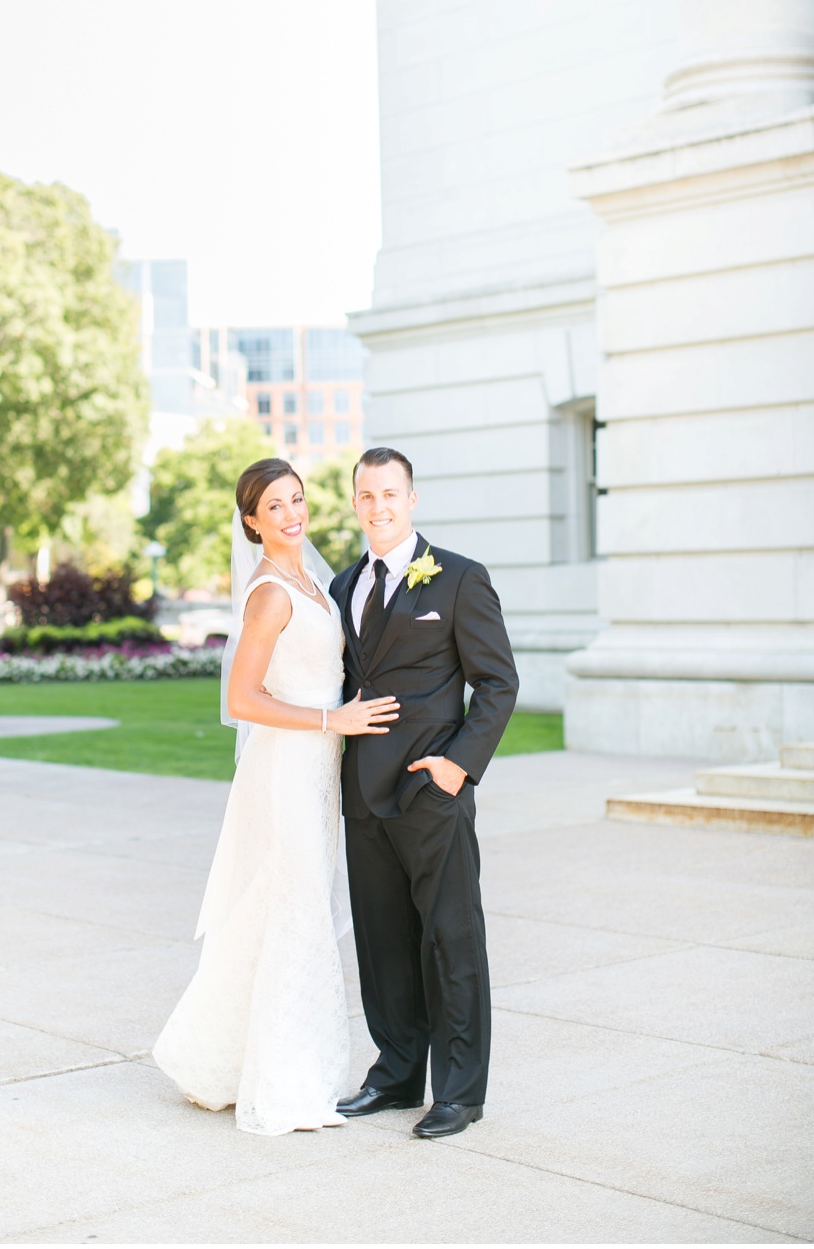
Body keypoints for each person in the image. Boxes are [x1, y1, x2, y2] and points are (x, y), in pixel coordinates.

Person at [153, 459, 401, 1135]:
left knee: (286, 902)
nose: (292, 513)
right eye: (275, 505)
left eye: (297, 499)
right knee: (297, 910)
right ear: (251, 521)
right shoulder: (269, 592)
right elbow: (242, 698)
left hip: (317, 765)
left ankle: (215, 1056)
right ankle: (285, 1079)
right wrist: (332, 720)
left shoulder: (310, 580)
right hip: (289, 765)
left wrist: (341, 713)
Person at [330, 447, 518, 1141]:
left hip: (430, 793)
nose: (377, 505)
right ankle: (398, 1071)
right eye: (366, 495)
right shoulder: (342, 583)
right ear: (355, 503)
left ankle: (460, 1091)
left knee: (450, 938)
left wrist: (458, 766)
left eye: (389, 493)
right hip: (361, 795)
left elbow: (500, 681)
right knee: (383, 946)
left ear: (411, 499)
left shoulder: (461, 578)